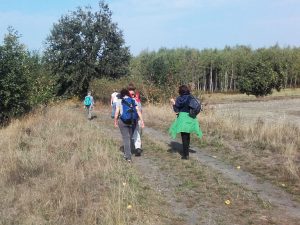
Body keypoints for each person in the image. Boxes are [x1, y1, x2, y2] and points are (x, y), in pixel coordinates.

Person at [169, 85, 202, 160]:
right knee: (187, 135)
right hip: (191, 117)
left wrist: (173, 102)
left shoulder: (179, 98)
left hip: (183, 118)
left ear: (180, 91)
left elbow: (176, 109)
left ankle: (185, 155)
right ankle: (186, 151)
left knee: (184, 137)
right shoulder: (191, 97)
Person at [114, 88, 144, 162]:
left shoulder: (119, 101)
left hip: (123, 121)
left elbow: (117, 113)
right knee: (129, 137)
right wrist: (142, 121)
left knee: (126, 138)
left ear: (121, 94)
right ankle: (128, 153)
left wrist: (115, 121)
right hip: (132, 121)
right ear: (128, 94)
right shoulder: (133, 101)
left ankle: (128, 156)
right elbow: (138, 111)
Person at [127, 84, 143, 156]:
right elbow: (140, 110)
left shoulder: (125, 99)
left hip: (127, 119)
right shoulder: (137, 99)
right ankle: (138, 148)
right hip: (137, 118)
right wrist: (141, 120)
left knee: (129, 134)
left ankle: (129, 148)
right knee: (137, 133)